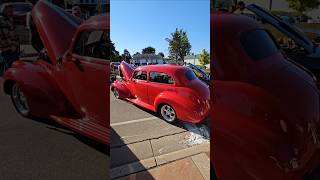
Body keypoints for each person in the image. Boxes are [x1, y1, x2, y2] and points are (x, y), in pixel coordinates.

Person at [0, 4, 20, 71]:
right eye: (10, 9)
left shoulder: (9, 18)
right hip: (8, 49)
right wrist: (13, 47)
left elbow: (13, 32)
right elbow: (5, 35)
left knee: (14, 67)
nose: (12, 11)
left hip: (13, 48)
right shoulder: (2, 19)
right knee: (10, 68)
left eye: (12, 9)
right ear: (4, 10)